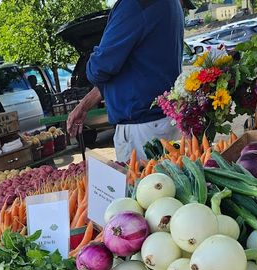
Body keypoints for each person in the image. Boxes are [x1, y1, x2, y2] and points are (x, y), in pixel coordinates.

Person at [66, 0, 184, 162]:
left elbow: (101, 67)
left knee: (143, 178)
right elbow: (127, 70)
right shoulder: (171, 3)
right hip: (162, 121)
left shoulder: (134, 4)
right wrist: (84, 105)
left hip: (143, 130)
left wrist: (91, 62)